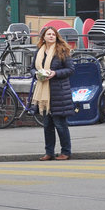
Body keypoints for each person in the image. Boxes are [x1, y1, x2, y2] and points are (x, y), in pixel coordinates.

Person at [32, 25, 75, 161]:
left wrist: (55, 73)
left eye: (53, 34)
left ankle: (66, 152)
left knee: (60, 125)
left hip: (59, 93)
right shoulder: (39, 51)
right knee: (47, 126)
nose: (51, 36)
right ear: (43, 37)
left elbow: (70, 69)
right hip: (43, 94)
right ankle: (49, 152)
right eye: (48, 34)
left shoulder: (62, 50)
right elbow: (31, 68)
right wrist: (37, 74)